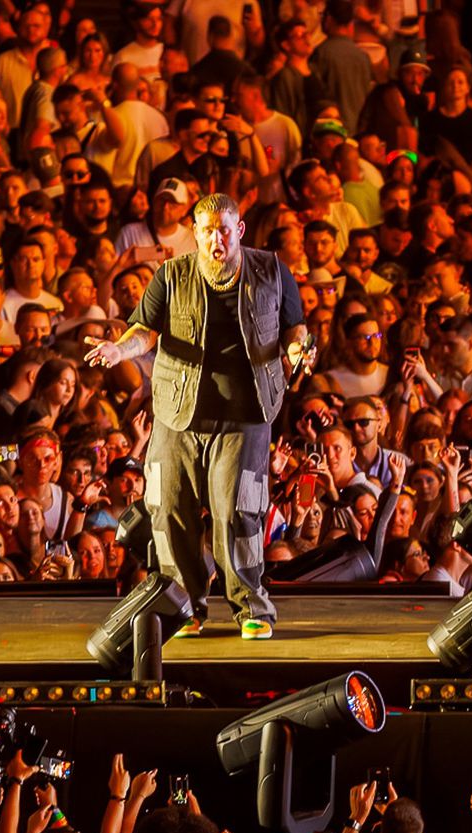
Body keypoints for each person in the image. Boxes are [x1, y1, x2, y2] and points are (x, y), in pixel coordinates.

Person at [85, 191, 308, 640]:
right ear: (196, 233)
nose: (215, 240)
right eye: (206, 231)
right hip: (177, 410)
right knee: (168, 507)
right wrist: (118, 349)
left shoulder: (272, 271)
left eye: (224, 230)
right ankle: (183, 605)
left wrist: (299, 349)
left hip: (245, 413)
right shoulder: (171, 274)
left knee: (236, 510)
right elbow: (144, 331)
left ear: (239, 230)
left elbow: (294, 328)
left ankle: (252, 607)